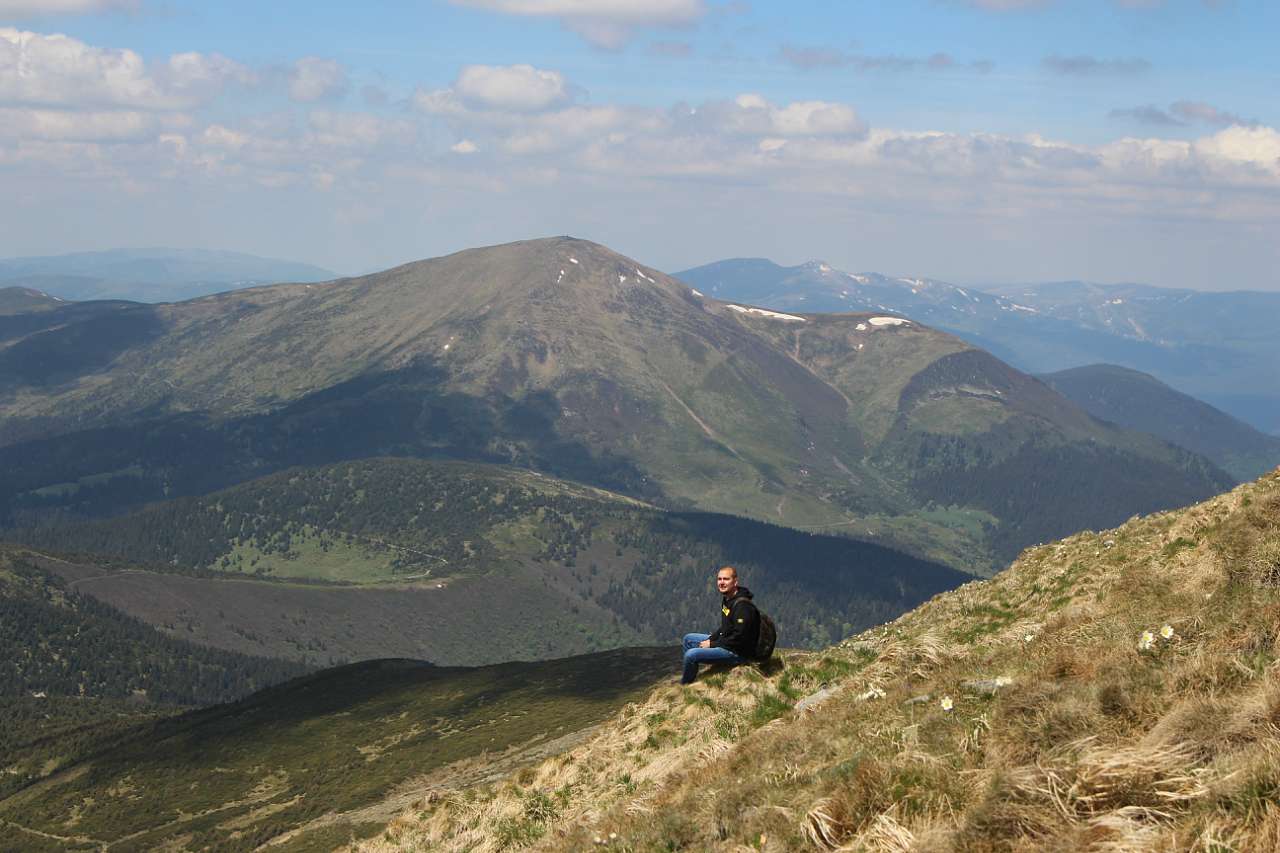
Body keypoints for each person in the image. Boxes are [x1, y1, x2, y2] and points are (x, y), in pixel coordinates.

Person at [681, 565, 760, 684]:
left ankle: (685, 685)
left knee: (691, 655)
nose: (722, 583)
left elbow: (740, 638)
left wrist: (712, 644)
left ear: (735, 582)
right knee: (688, 639)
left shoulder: (742, 606)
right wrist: (711, 639)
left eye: (726, 579)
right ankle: (693, 675)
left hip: (737, 652)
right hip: (727, 642)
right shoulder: (728, 599)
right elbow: (726, 627)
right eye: (719, 579)